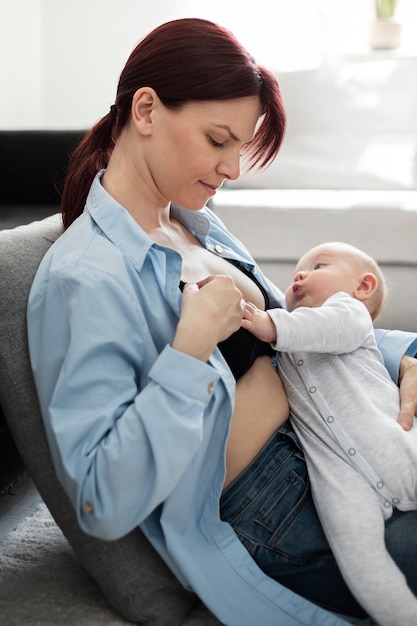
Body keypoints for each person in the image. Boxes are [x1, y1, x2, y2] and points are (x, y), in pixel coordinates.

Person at [26, 17, 417, 626]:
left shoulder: (195, 222)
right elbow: (103, 497)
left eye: (241, 146)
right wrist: (189, 346)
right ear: (147, 110)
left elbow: (297, 328)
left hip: (340, 440)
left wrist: (407, 357)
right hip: (281, 510)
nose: (233, 168)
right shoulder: (84, 278)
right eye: (218, 141)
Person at [241, 241, 417, 625]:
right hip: (339, 476)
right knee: (358, 557)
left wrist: (268, 323)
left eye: (319, 264)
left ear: (363, 287)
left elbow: (325, 329)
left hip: (395, 442)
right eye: (293, 276)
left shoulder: (348, 314)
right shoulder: (284, 347)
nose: (299, 276)